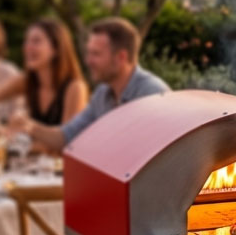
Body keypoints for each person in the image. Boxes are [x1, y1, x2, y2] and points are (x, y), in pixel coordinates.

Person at [9, 16, 169, 151]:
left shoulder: (152, 95)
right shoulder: (102, 94)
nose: (88, 61)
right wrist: (29, 126)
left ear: (121, 57)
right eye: (89, 53)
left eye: (96, 54)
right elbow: (66, 137)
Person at [0, 18, 88, 131]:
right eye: (27, 41)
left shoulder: (75, 88)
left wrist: (25, 135)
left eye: (36, 41)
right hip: (34, 165)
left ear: (56, 48)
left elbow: (67, 142)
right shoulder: (26, 81)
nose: (27, 47)